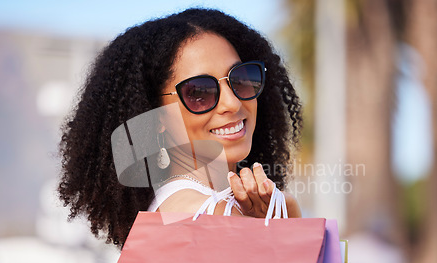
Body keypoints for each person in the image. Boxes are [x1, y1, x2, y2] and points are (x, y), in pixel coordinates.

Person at [58, 8, 303, 248]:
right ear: (157, 115)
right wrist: (287, 217)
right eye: (199, 92)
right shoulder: (200, 214)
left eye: (241, 79)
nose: (233, 102)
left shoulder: (198, 207)